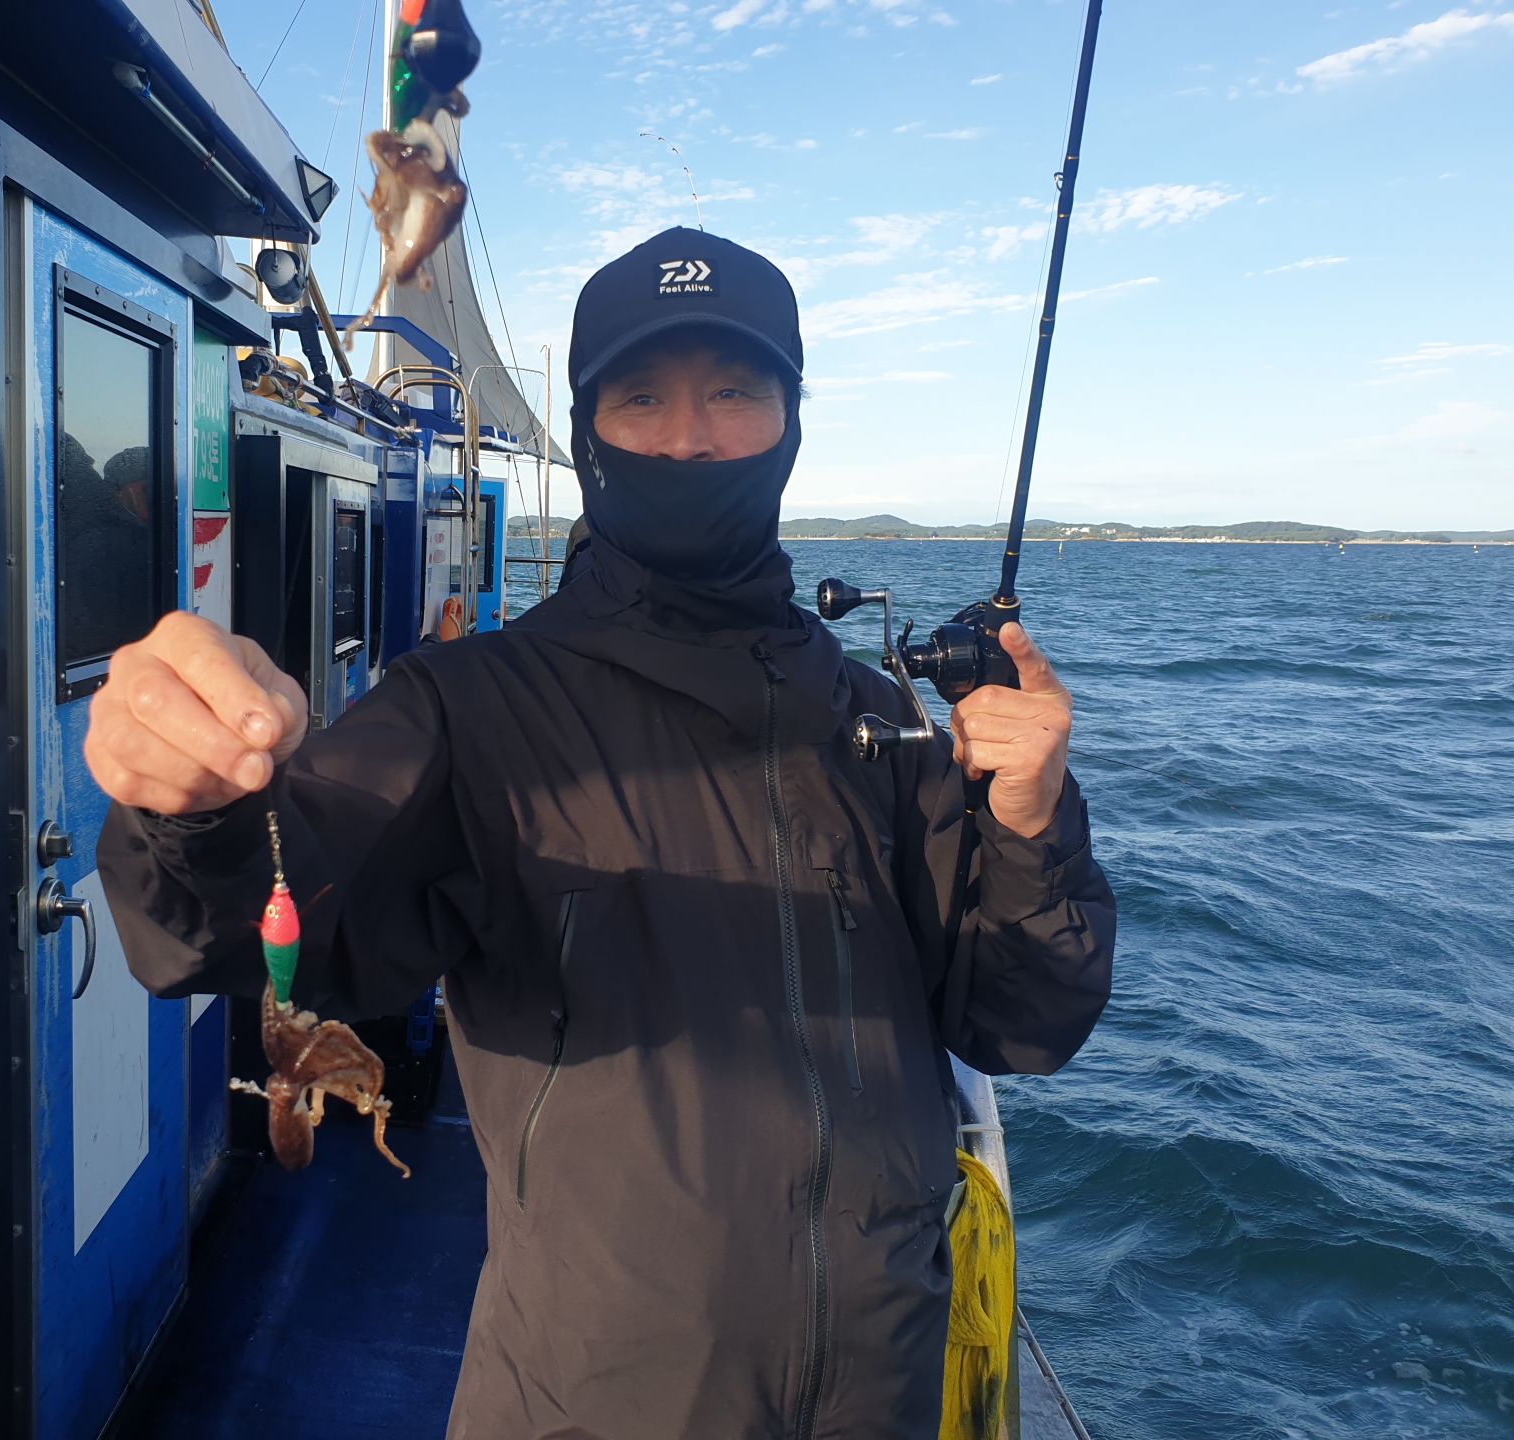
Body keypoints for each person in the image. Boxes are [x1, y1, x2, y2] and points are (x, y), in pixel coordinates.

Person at [89, 227, 1114, 1439]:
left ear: (791, 422)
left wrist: (1031, 825)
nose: (689, 438)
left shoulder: (880, 720)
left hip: (882, 1395)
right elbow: (231, 931)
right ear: (588, 435)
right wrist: (196, 807)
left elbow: (1017, 1025)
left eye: (733, 393)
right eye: (642, 399)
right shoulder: (466, 710)